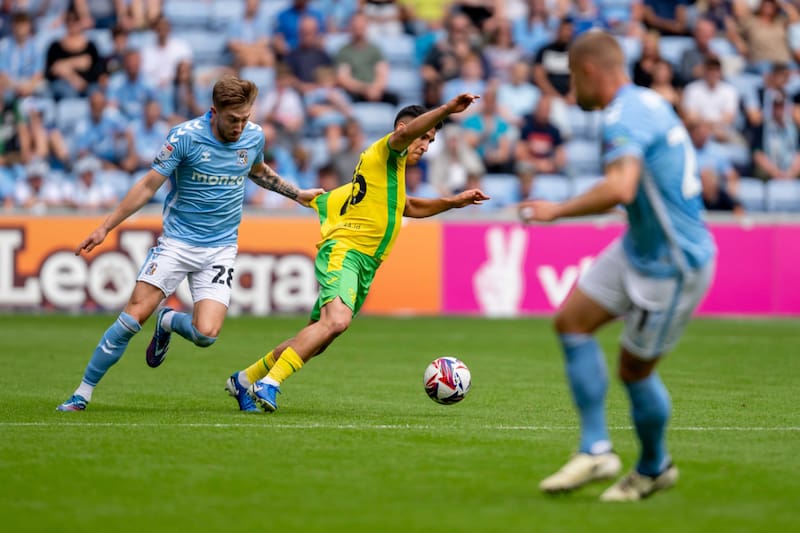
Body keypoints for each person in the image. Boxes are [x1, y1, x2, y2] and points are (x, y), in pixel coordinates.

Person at [518, 31, 716, 502]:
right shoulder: (645, 102)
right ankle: (596, 450)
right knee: (572, 323)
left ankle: (653, 468)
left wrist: (556, 210)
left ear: (589, 71)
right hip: (638, 246)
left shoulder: (622, 116)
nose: (572, 92)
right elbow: (635, 188)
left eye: (573, 79)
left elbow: (621, 187)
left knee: (634, 371)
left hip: (673, 263)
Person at [56, 76, 323, 412]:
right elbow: (148, 185)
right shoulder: (184, 137)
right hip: (177, 243)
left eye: (245, 118)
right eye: (233, 119)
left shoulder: (254, 135)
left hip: (220, 249)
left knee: (206, 334)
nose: (240, 126)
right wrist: (105, 227)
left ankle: (167, 321)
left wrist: (297, 194)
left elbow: (256, 170)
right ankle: (82, 393)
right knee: (133, 318)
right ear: (214, 112)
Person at [224, 93, 490, 413]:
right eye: (424, 137)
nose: (426, 145)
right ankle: (270, 383)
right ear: (404, 130)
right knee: (336, 322)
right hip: (347, 252)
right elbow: (406, 136)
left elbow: (408, 206)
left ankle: (244, 379)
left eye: (431, 141)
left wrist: (453, 202)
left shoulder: (391, 170)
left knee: (318, 338)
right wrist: (446, 109)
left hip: (364, 263)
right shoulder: (387, 149)